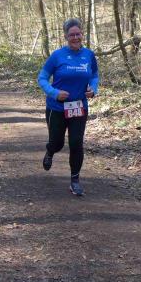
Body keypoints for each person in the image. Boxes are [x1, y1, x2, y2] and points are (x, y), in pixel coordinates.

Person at [37, 18, 99, 196]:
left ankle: (75, 181)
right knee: (57, 143)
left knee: (76, 143)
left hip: (79, 107)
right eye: (72, 35)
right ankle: (50, 151)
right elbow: (42, 78)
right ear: (65, 36)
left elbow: (94, 75)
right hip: (56, 108)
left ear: (82, 34)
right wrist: (54, 93)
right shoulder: (57, 56)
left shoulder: (89, 55)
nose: (75, 37)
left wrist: (93, 89)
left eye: (78, 34)